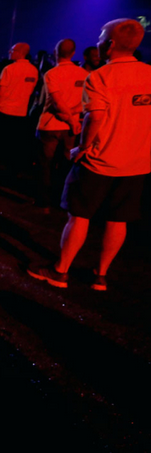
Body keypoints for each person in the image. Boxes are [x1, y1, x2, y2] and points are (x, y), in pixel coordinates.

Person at [28, 18, 150, 291]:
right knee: (118, 219)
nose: (98, 41)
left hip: (100, 160)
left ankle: (60, 271)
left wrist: (82, 148)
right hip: (137, 163)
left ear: (111, 44)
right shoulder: (149, 74)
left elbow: (94, 118)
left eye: (101, 36)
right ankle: (101, 275)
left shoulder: (100, 76)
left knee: (79, 216)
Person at [35, 39, 88, 212]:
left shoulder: (52, 73)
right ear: (73, 53)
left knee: (45, 165)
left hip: (50, 125)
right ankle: (61, 200)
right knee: (65, 165)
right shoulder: (84, 74)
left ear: (55, 53)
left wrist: (68, 117)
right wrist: (73, 118)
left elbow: (57, 103)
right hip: (71, 128)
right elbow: (86, 103)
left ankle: (44, 202)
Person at [0, 42, 38, 179]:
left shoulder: (9, 69)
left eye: (12, 50)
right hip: (21, 112)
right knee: (14, 144)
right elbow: (30, 91)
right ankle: (11, 172)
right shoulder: (33, 70)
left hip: (4, 110)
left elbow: (2, 91)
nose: (9, 52)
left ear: (20, 52)